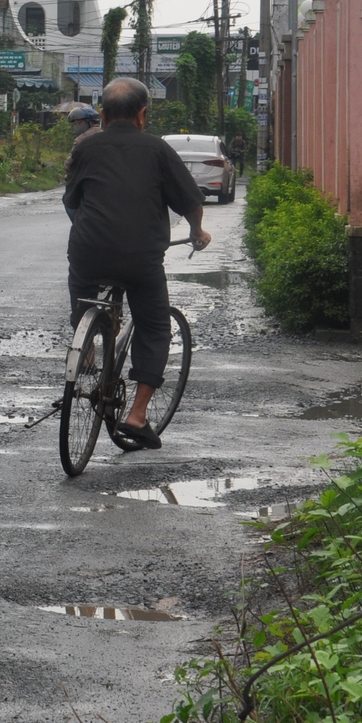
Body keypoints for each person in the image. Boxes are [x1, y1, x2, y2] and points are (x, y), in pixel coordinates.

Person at [62, 76, 210, 450]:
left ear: (104, 115)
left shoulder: (86, 148)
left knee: (82, 292)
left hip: (88, 251)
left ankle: (87, 341)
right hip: (140, 256)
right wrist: (197, 231)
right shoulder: (157, 150)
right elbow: (190, 200)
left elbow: (73, 198)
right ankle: (137, 415)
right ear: (143, 115)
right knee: (155, 326)